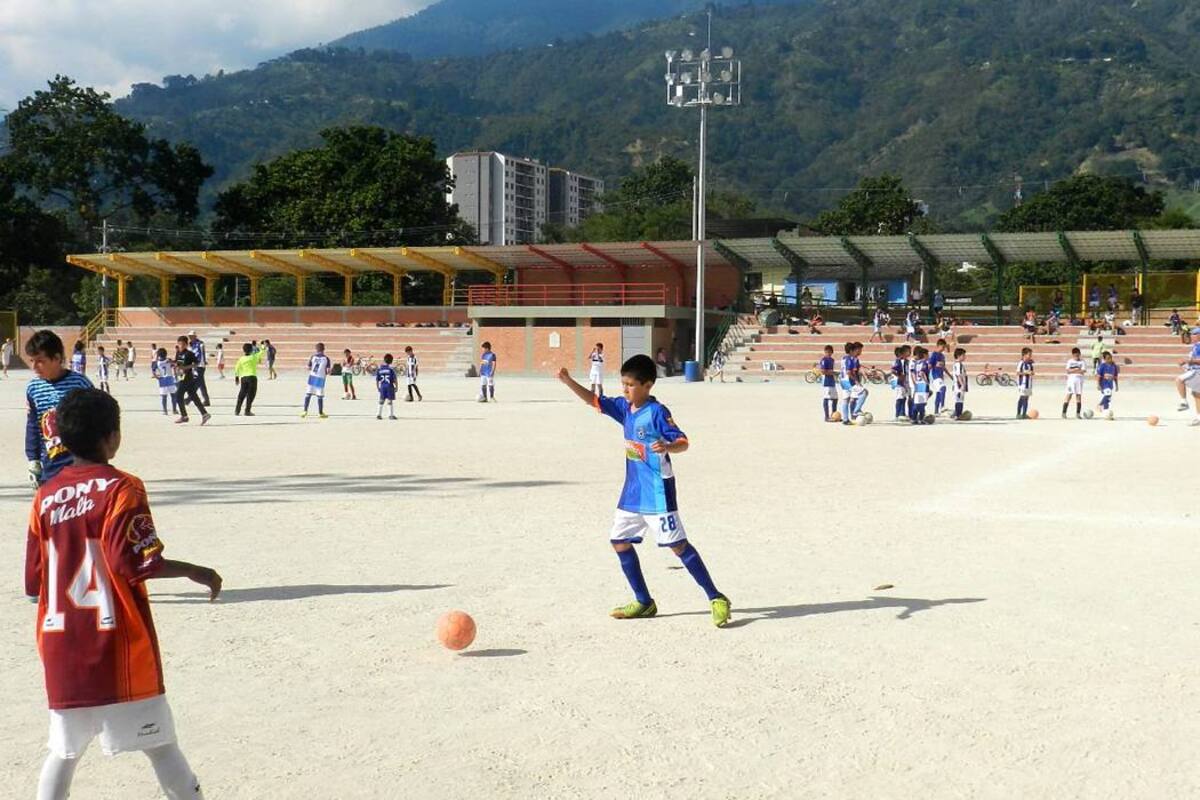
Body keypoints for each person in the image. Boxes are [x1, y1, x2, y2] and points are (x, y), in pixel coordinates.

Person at [24, 388, 220, 800]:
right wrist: (194, 570)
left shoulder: (44, 498)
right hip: (117, 648)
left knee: (63, 751)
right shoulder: (122, 488)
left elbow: (33, 580)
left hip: (61, 649)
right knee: (161, 744)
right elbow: (134, 564)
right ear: (112, 437)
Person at [556, 355, 731, 628]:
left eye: (630, 385)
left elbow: (683, 441)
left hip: (658, 491)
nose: (625, 389)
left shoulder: (657, 412)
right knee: (619, 541)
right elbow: (594, 400)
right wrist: (568, 381)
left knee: (678, 546)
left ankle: (716, 597)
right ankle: (644, 602)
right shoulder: (624, 408)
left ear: (648, 385)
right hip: (633, 492)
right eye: (623, 383)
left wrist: (668, 446)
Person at [24, 330, 94, 489]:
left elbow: (96, 420)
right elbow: (33, 425)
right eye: (32, 360)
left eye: (40, 361)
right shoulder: (33, 388)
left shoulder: (81, 384)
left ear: (56, 358)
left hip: (80, 461)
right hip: (50, 462)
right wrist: (33, 458)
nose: (34, 367)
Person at [173, 336, 210, 425]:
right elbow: (179, 364)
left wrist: (186, 367)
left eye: (183, 344)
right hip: (181, 377)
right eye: (179, 344)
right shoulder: (179, 353)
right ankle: (205, 414)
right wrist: (175, 366)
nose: (181, 346)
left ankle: (184, 416)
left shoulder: (189, 353)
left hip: (187, 378)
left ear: (186, 344)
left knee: (178, 396)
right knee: (193, 396)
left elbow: (196, 363)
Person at [1174, 327, 1200, 424]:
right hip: (1195, 370)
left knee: (1179, 380)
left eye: (1194, 334)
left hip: (1198, 371)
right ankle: (1199, 417)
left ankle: (1184, 402)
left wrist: (1188, 361)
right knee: (1197, 394)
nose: (1191, 336)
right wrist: (1185, 363)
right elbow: (1185, 341)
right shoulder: (1196, 345)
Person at [301, 343, 331, 419]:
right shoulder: (326, 358)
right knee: (320, 396)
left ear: (316, 349)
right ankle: (320, 413)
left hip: (312, 377)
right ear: (324, 349)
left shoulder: (313, 357)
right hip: (320, 378)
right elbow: (328, 370)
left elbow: (308, 367)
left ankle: (305, 411)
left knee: (308, 394)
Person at [233, 343, 263, 416]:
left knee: (242, 394)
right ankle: (247, 411)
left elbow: (236, 367)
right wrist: (262, 345)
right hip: (252, 377)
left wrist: (237, 377)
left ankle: (237, 410)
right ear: (251, 350)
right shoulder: (254, 357)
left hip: (243, 378)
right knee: (251, 395)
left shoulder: (241, 359)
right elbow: (261, 352)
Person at [152, 348, 179, 416]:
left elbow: (153, 371)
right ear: (166, 354)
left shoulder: (157, 363)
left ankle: (165, 410)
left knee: (164, 397)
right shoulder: (168, 360)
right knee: (173, 395)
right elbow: (175, 365)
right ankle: (174, 410)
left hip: (162, 380)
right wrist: (175, 374)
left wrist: (157, 377)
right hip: (170, 379)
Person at [909, 346, 931, 424]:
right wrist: (926, 382)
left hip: (918, 384)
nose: (928, 356)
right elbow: (922, 373)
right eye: (927, 355)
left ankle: (914, 418)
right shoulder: (924, 363)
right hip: (923, 384)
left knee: (917, 402)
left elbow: (913, 373)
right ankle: (921, 419)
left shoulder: (916, 363)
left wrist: (915, 382)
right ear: (924, 355)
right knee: (922, 403)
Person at [1062, 347, 1086, 419]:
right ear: (1073, 355)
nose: (1077, 357)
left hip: (1079, 380)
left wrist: (1073, 370)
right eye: (1075, 355)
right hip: (1071, 381)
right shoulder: (1070, 361)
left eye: (1078, 355)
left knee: (1078, 396)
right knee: (1069, 395)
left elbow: (1083, 371)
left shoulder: (1082, 362)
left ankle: (1078, 413)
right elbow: (1068, 371)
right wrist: (1076, 370)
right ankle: (1064, 412)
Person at [187, 332, 209, 406]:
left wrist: (202, 362)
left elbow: (202, 354)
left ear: (195, 336)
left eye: (191, 336)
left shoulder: (200, 343)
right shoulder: (191, 345)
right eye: (189, 336)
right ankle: (206, 400)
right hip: (195, 365)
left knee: (197, 383)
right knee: (201, 383)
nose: (190, 337)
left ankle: (189, 399)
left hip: (200, 365)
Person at [374, 354, 399, 420]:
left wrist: (378, 387)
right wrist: (396, 387)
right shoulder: (391, 369)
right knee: (389, 400)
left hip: (382, 386)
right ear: (391, 361)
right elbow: (395, 379)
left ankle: (379, 414)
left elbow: (377, 380)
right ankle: (391, 415)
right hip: (389, 386)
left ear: (384, 360)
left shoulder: (379, 369)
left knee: (381, 400)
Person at [929, 339, 948, 415]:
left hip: (940, 376)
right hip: (935, 376)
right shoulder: (934, 355)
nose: (943, 349)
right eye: (942, 347)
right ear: (938, 346)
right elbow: (930, 366)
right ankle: (942, 406)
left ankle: (936, 411)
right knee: (943, 388)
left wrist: (950, 376)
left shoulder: (942, 356)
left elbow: (943, 367)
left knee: (939, 392)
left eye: (944, 347)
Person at [1097, 351, 1119, 416]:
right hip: (1104, 384)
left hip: (1110, 385)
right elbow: (1099, 376)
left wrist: (1117, 385)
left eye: (1110, 358)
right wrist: (1098, 384)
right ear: (1104, 359)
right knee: (1108, 394)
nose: (1110, 359)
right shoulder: (1102, 366)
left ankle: (1106, 412)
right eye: (1108, 358)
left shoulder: (1114, 366)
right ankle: (1100, 404)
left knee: (1108, 399)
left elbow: (1115, 377)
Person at [818, 345, 837, 421]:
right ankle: (826, 416)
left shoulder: (832, 360)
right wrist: (832, 373)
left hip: (832, 381)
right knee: (826, 397)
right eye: (826, 352)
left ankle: (834, 415)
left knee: (835, 398)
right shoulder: (824, 360)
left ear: (832, 352)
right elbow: (823, 371)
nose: (828, 353)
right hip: (826, 381)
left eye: (829, 352)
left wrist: (833, 373)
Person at [890, 345, 909, 420]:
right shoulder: (898, 361)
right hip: (899, 383)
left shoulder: (904, 362)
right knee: (899, 398)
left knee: (903, 398)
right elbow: (893, 370)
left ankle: (902, 413)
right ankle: (897, 414)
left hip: (903, 382)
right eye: (906, 352)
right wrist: (899, 376)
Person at [1016, 347, 1035, 419]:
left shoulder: (1030, 364)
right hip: (1023, 384)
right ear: (1024, 355)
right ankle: (1019, 413)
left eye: (1031, 355)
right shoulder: (1021, 363)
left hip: (1029, 383)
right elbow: (1018, 373)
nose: (1030, 356)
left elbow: (1031, 372)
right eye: (1029, 355)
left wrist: (1032, 373)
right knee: (1023, 397)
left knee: (1026, 398)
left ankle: (1024, 413)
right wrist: (1025, 372)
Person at [951, 347, 969, 420]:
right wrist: (962, 385)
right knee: (960, 400)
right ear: (958, 356)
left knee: (958, 400)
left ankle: (957, 413)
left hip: (957, 385)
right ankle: (958, 415)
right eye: (963, 355)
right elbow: (958, 375)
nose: (965, 357)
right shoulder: (959, 365)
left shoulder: (956, 364)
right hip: (959, 385)